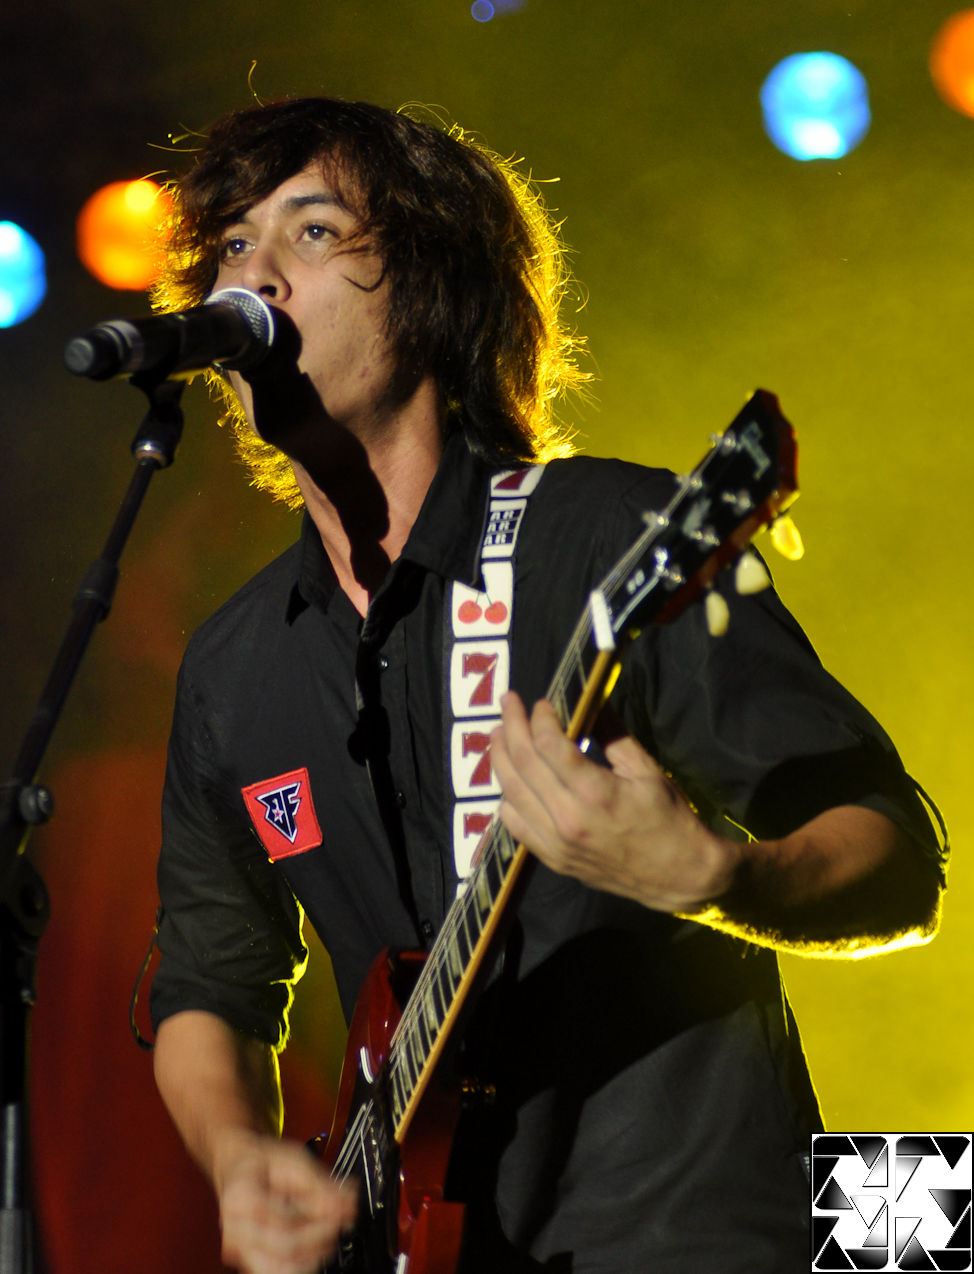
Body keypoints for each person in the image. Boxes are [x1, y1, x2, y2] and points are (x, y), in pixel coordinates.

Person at [147, 97, 945, 1274]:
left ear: (431, 283)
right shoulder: (234, 666)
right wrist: (237, 1156)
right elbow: (207, 981)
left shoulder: (610, 535)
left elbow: (898, 853)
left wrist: (724, 877)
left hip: (700, 1228)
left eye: (312, 233)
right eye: (231, 244)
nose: (253, 273)